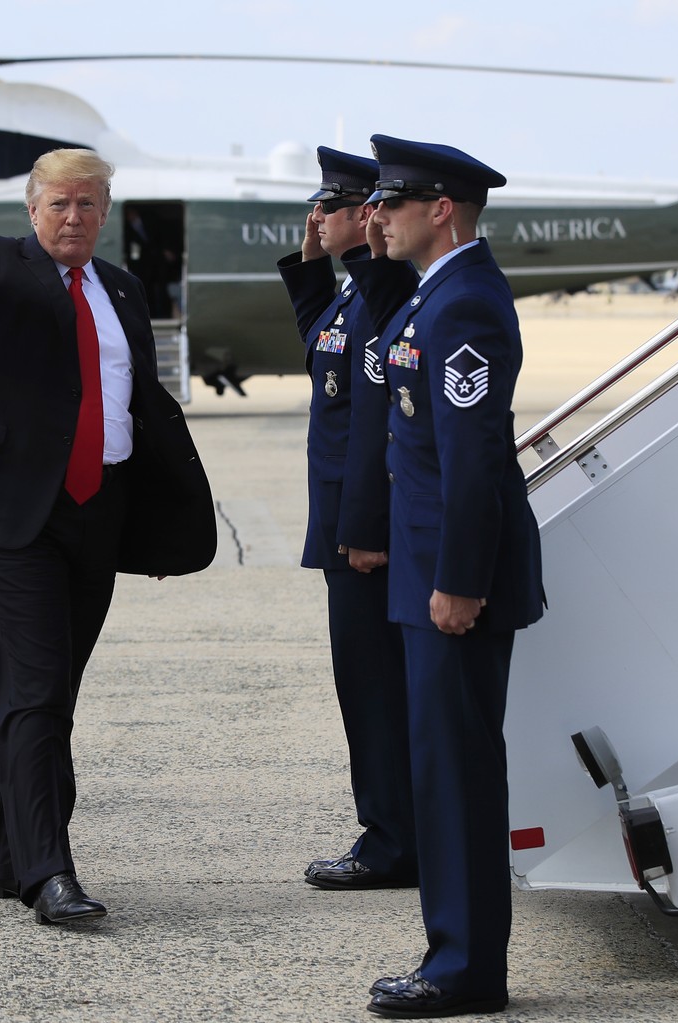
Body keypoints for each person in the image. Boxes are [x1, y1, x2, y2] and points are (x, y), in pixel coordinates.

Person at [0, 124, 215, 924]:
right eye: (59, 202)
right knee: (38, 683)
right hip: (12, 515)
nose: (73, 215)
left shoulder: (123, 289)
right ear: (32, 210)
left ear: (105, 212)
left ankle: (9, 857)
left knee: (50, 688)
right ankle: (48, 871)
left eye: (87, 203)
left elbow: (140, 409)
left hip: (96, 512)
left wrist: (159, 525)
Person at [357, 135, 546, 1019]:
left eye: (391, 203)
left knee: (458, 771)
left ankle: (466, 968)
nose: (374, 215)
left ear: (441, 209)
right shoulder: (434, 294)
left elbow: (473, 461)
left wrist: (460, 579)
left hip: (454, 585)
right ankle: (456, 952)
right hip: (429, 574)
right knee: (440, 766)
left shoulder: (463, 303)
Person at [275, 148, 417, 892]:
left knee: (372, 688)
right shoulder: (353, 297)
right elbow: (322, 355)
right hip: (342, 524)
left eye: (325, 209)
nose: (314, 218)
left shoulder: (382, 294)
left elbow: (370, 424)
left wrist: (363, 528)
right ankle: (393, 829)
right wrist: (309, 263)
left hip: (361, 532)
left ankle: (392, 839)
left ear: (363, 214)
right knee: (363, 685)